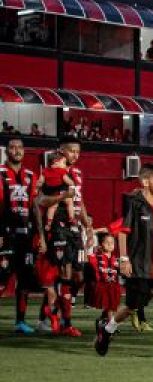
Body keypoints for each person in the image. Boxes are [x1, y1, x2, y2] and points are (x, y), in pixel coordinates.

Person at [94, 164, 153, 357]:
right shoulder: (134, 205)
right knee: (133, 306)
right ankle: (107, 329)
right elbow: (122, 234)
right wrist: (124, 259)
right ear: (145, 182)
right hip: (140, 267)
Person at [35, 136, 92, 337]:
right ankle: (66, 323)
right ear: (61, 151)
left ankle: (50, 311)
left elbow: (79, 200)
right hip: (59, 226)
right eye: (71, 151)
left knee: (79, 276)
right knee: (65, 274)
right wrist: (43, 234)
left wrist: (88, 226)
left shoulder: (76, 173)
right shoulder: (52, 172)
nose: (75, 155)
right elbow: (40, 201)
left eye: (77, 152)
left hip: (75, 229)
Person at [0, 137, 41, 334]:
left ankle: (20, 322)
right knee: (2, 277)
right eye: (12, 147)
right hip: (5, 235)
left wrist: (40, 235)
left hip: (25, 237)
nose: (16, 150)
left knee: (24, 281)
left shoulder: (31, 176)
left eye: (19, 148)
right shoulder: (0, 173)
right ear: (6, 151)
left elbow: (35, 207)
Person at [87, 232, 121, 323]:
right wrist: (88, 246)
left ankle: (103, 320)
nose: (110, 245)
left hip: (114, 286)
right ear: (101, 245)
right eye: (107, 243)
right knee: (110, 308)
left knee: (113, 308)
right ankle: (110, 326)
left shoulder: (117, 259)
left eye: (112, 243)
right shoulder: (97, 257)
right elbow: (87, 258)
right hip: (103, 286)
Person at [38, 151, 76, 226]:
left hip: (52, 194)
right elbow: (68, 181)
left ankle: (48, 222)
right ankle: (71, 217)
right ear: (56, 162)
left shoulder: (45, 171)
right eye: (64, 163)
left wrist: (37, 187)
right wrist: (72, 185)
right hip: (61, 192)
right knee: (69, 202)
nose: (65, 165)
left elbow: (40, 181)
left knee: (52, 207)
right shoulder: (61, 171)